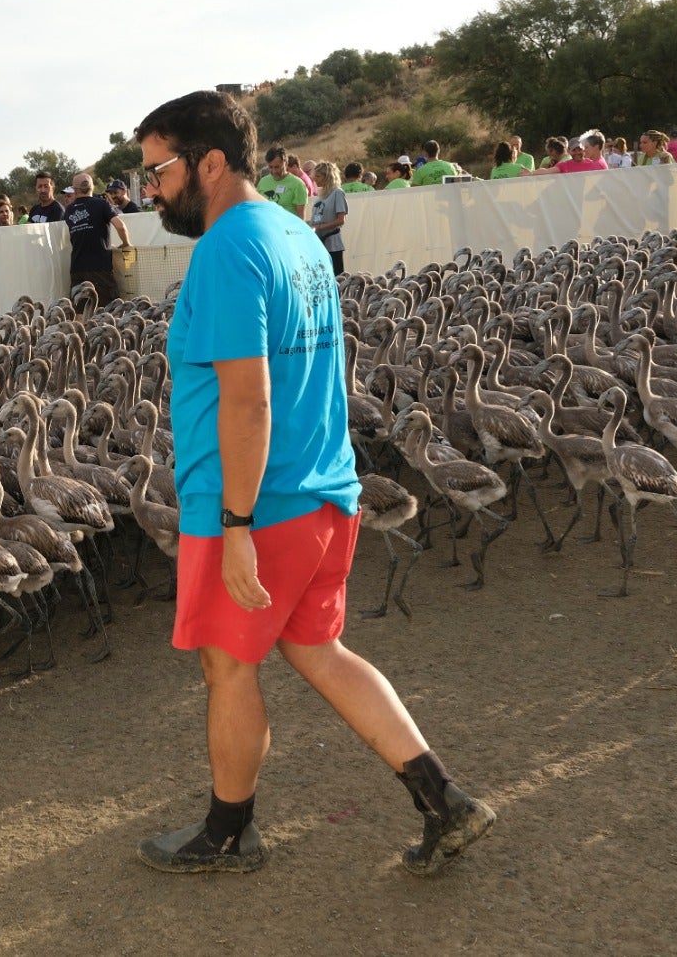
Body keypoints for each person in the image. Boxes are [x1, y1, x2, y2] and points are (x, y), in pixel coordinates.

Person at [132, 88, 495, 877]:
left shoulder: (228, 249)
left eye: (157, 171)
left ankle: (229, 834)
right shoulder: (296, 236)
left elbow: (250, 396)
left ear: (211, 162)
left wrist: (234, 524)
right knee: (319, 650)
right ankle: (446, 801)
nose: (149, 190)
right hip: (325, 490)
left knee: (229, 666)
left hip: (259, 507)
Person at [64, 172, 133, 303]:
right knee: (111, 309)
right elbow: (120, 226)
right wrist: (126, 243)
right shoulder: (101, 204)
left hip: (77, 267)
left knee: (81, 311)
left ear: (74, 189)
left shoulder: (69, 210)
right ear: (92, 187)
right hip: (100, 266)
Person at [308, 161, 349, 276]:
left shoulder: (337, 193)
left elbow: (341, 220)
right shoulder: (321, 196)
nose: (315, 179)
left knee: (336, 277)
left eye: (318, 176)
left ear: (327, 177)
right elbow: (317, 219)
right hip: (319, 242)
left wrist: (320, 227)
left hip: (332, 243)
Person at [255, 146, 308, 217]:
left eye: (277, 167)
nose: (274, 171)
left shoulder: (298, 184)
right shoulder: (262, 182)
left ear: (285, 164)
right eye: (270, 167)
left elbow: (301, 218)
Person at [527, 133, 608, 175]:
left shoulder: (593, 163)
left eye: (580, 149)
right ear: (569, 151)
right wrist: (531, 173)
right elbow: (547, 171)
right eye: (574, 150)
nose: (577, 153)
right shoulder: (564, 165)